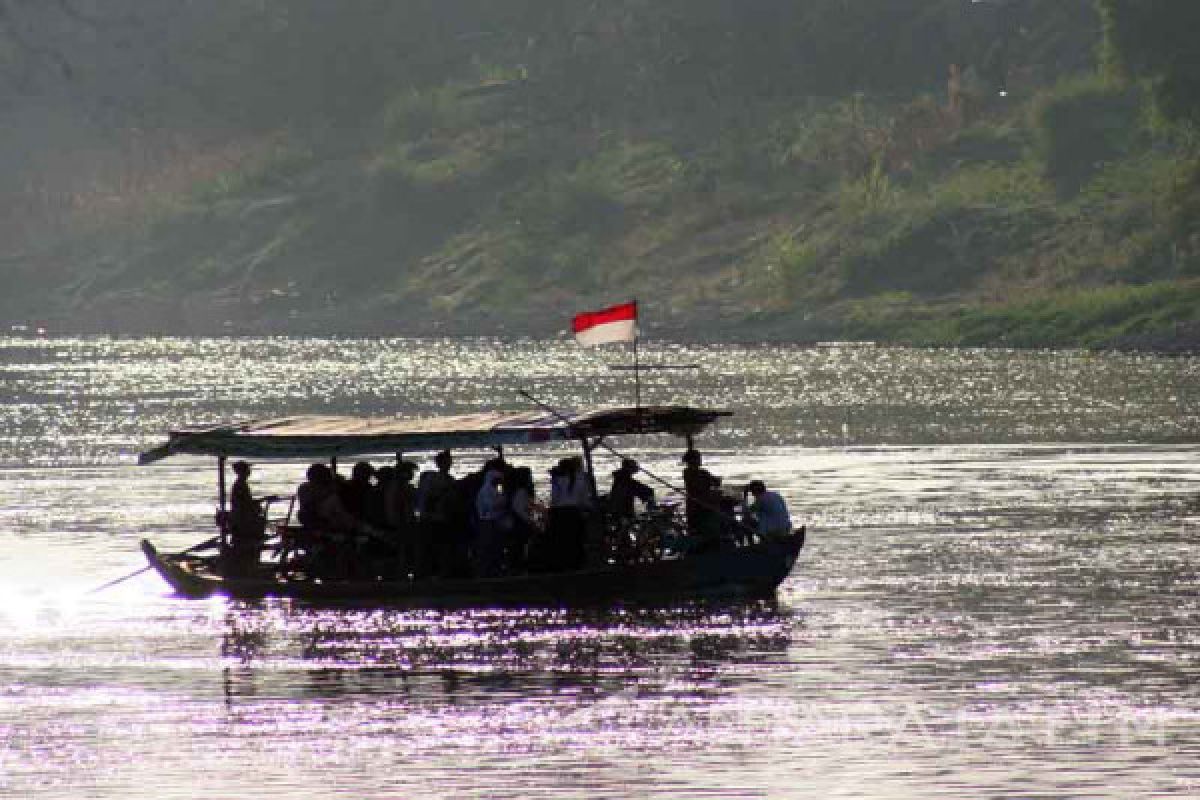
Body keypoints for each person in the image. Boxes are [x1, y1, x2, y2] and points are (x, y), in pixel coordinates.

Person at [545, 456, 592, 571]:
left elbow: (554, 499)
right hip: (573, 512)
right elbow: (584, 499)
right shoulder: (581, 478)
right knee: (575, 540)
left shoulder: (557, 479)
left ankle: (561, 564)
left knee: (561, 541)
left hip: (559, 513)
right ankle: (576, 564)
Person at [226, 461, 273, 574]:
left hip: (242, 517)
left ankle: (249, 564)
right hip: (242, 519)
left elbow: (247, 502)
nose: (249, 472)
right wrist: (261, 501)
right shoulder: (240, 485)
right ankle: (247, 566)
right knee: (249, 540)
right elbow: (245, 504)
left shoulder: (241, 484)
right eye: (247, 469)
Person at [416, 450, 456, 576]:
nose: (449, 464)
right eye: (447, 462)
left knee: (440, 548)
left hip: (440, 518)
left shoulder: (447, 479)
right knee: (435, 548)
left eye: (449, 462)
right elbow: (426, 498)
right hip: (433, 519)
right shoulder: (434, 479)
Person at [681, 449, 722, 551]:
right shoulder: (691, 473)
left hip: (702, 504)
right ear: (693, 460)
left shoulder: (700, 472)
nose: (700, 460)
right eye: (698, 458)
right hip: (699, 506)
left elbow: (716, 482)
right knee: (704, 530)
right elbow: (700, 488)